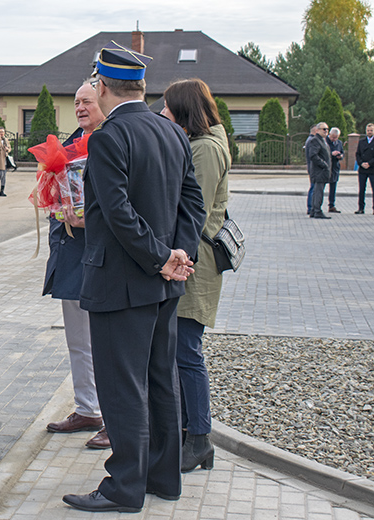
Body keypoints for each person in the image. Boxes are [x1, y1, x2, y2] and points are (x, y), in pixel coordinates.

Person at [61, 42, 205, 513]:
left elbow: (118, 213)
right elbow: (193, 205)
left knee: (123, 388)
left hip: (123, 283)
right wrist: (177, 254)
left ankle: (123, 487)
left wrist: (162, 257)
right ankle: (163, 479)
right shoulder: (173, 134)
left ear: (102, 87)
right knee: (161, 381)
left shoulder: (108, 137)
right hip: (163, 285)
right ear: (140, 86)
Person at [161, 79, 230, 473]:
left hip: (195, 261)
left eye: (169, 109)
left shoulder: (204, 149)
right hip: (193, 258)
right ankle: (190, 433)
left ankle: (200, 438)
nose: (164, 115)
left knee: (187, 351)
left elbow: (192, 211)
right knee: (181, 350)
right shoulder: (204, 143)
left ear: (186, 110)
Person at [43, 80, 108, 449]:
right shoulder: (68, 146)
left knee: (106, 342)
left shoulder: (115, 139)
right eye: (76, 102)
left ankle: (113, 417)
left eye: (87, 101)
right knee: (78, 340)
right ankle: (88, 408)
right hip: (72, 252)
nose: (80, 107)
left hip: (105, 254)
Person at [307, 122, 332, 219]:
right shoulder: (315, 140)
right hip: (319, 171)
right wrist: (324, 165)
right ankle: (317, 210)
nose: (326, 131)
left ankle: (314, 210)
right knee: (318, 191)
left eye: (327, 129)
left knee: (318, 190)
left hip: (322, 171)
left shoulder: (322, 140)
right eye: (323, 129)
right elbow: (313, 155)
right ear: (317, 130)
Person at [355, 123, 374, 214]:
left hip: (372, 169)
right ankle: (361, 208)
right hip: (362, 169)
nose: (369, 132)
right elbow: (357, 154)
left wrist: (369, 163)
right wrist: (361, 163)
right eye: (368, 130)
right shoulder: (361, 141)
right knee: (361, 189)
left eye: (371, 130)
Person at [327, 127, 344, 213]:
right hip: (326, 167)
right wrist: (331, 154)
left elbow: (342, 152)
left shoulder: (339, 143)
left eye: (336, 137)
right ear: (329, 134)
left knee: (333, 187)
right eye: (332, 137)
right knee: (321, 186)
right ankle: (317, 205)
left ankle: (331, 205)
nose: (334, 139)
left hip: (335, 167)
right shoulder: (325, 141)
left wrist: (340, 156)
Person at [305, 124, 317, 215]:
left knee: (313, 187)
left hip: (311, 167)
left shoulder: (309, 140)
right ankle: (310, 207)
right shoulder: (312, 140)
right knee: (313, 187)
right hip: (313, 168)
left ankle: (311, 207)